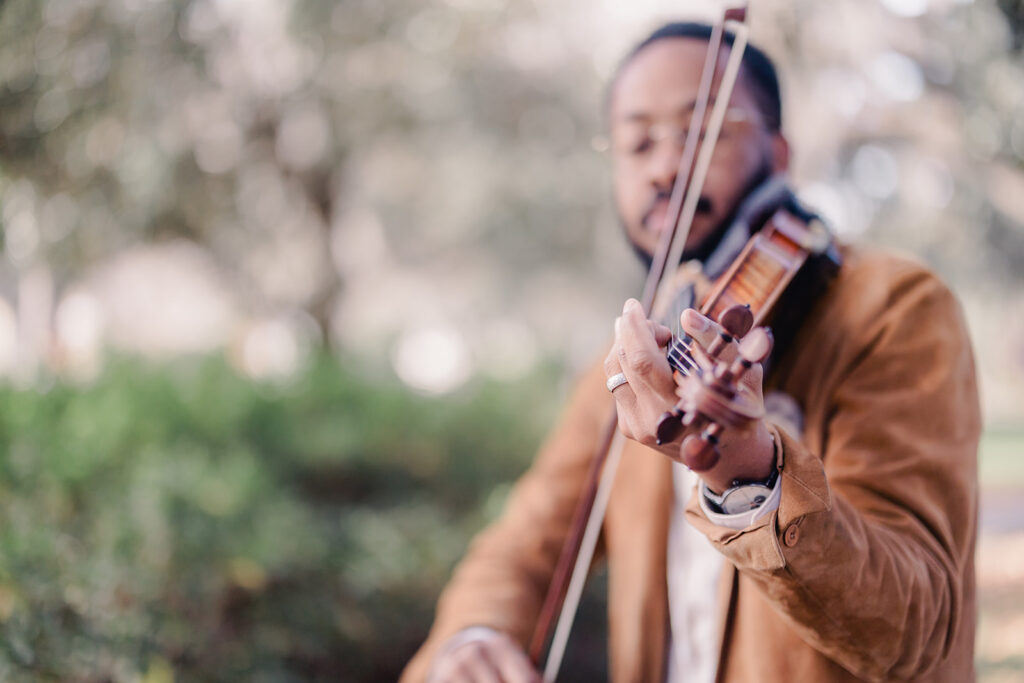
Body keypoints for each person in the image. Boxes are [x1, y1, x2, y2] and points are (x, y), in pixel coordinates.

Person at [402, 21, 980, 683]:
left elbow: (917, 627)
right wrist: (473, 639)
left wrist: (753, 474)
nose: (666, 166)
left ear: (779, 151)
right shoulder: (638, 360)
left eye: (703, 131)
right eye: (637, 142)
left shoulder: (891, 309)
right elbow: (524, 543)